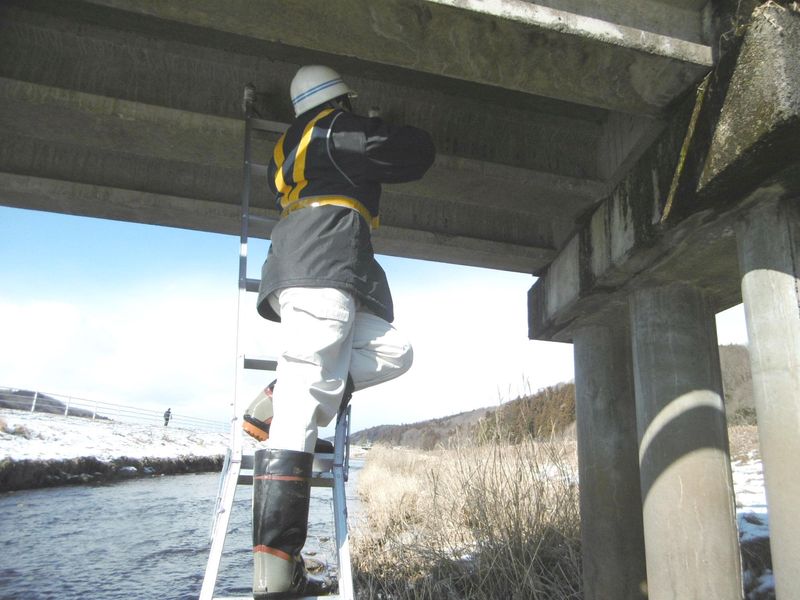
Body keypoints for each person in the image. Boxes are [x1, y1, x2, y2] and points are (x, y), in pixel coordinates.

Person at [247, 65, 435, 598]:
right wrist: (380, 125)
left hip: (303, 271)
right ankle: (276, 570)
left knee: (395, 350)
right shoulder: (334, 130)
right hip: (325, 271)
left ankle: (274, 400)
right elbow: (415, 152)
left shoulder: (284, 149)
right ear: (338, 100)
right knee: (302, 417)